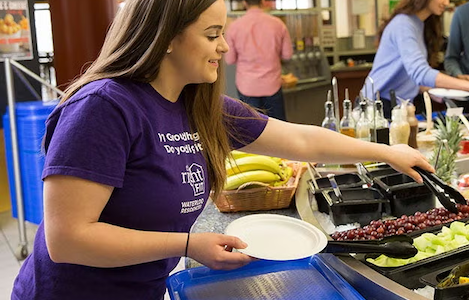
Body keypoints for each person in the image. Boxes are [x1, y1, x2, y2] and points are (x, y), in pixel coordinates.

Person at [11, 1, 433, 299]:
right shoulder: (104, 108)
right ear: (167, 38)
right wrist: (187, 244)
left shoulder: (198, 104)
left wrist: (387, 152)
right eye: (212, 34)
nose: (225, 47)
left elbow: (300, 139)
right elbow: (68, 239)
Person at [363, 0, 469, 119]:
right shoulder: (403, 24)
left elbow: (410, 77)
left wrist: (448, 89)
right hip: (377, 108)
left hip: (396, 107)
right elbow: (420, 73)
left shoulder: (418, 24)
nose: (446, 3)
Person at [225, 0, 292, 120]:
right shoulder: (278, 24)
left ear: (245, 2)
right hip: (272, 84)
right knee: (279, 129)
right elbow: (287, 55)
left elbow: (229, 59)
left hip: (247, 85)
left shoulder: (234, 27)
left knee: (252, 129)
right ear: (262, 1)